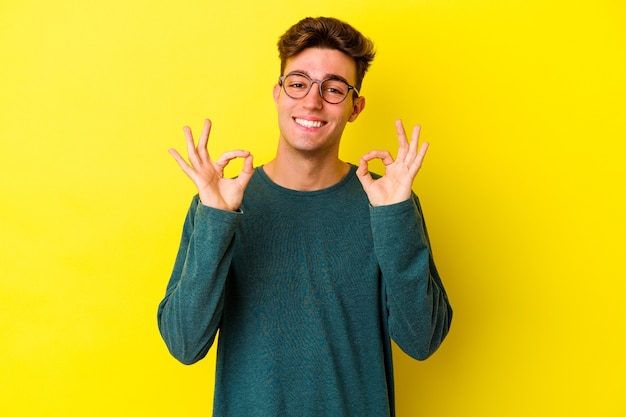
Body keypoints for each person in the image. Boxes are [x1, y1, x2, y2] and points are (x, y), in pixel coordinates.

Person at [157, 16, 452, 417]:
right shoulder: (220, 204)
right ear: (278, 93)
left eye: (333, 89)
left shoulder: (386, 201)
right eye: (298, 83)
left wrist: (395, 217)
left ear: (355, 107)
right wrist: (215, 220)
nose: (312, 102)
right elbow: (184, 343)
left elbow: (422, 340)